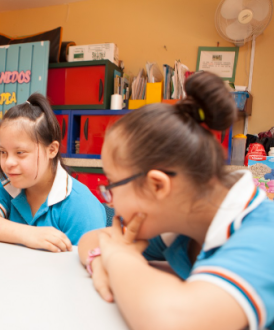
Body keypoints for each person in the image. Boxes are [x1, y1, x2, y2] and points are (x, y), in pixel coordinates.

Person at [78, 71, 274, 330]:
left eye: (112, 185)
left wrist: (118, 258)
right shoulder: (178, 224)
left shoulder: (264, 235)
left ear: (157, 185)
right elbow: (91, 239)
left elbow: (176, 321)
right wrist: (99, 259)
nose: (110, 202)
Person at [0, 93, 107, 251]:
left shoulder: (81, 205)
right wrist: (29, 234)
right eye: (3, 152)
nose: (8, 163)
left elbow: (92, 263)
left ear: (52, 150)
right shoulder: (9, 187)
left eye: (20, 153)